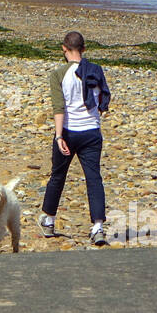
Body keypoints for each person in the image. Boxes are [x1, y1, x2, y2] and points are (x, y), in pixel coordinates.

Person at [40, 31, 109, 245]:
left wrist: (59, 136)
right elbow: (102, 102)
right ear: (84, 49)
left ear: (64, 48)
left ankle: (49, 221)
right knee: (93, 178)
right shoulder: (96, 71)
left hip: (69, 131)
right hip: (91, 132)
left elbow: (58, 108)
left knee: (58, 176)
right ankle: (97, 227)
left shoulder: (59, 74)